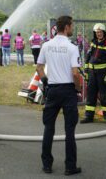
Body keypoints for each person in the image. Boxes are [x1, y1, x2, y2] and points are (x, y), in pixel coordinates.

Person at [36, 15, 82, 175]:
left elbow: (39, 67)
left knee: (49, 128)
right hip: (68, 91)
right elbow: (75, 73)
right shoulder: (72, 47)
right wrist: (78, 88)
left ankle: (46, 164)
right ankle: (70, 167)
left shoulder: (46, 45)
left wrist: (46, 82)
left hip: (53, 90)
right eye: (72, 26)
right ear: (67, 27)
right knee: (70, 130)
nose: (73, 29)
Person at [80, 23, 106, 124]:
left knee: (104, 96)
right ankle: (89, 116)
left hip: (103, 74)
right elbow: (88, 58)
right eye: (97, 32)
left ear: (104, 32)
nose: (99, 34)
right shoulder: (93, 43)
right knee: (91, 95)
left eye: (100, 32)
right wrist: (86, 71)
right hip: (92, 74)